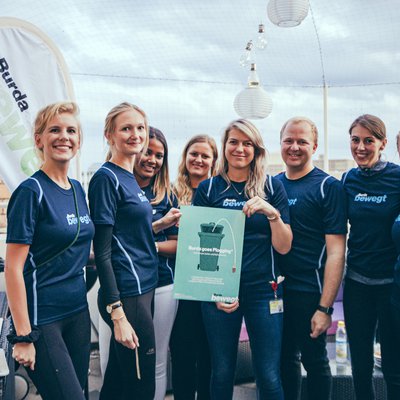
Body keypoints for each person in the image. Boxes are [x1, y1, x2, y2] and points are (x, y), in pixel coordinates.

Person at [194, 119, 292, 400]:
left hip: (265, 290)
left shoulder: (272, 187)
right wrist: (214, 293)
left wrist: (272, 213)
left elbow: (284, 247)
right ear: (224, 146)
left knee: (269, 374)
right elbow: (201, 248)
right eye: (234, 142)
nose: (240, 149)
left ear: (256, 149)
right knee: (222, 371)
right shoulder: (209, 189)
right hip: (221, 291)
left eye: (247, 143)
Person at [88, 102, 180, 400]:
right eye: (126, 128)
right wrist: (117, 312)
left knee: (117, 384)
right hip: (127, 295)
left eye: (140, 127)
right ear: (109, 135)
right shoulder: (107, 178)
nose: (135, 134)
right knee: (141, 387)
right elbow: (103, 251)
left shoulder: (129, 177)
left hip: (145, 288)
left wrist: (162, 224)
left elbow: (128, 235)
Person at [5, 102, 94, 400]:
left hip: (78, 313)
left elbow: (76, 249)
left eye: (71, 131)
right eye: (54, 130)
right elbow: (14, 268)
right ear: (39, 139)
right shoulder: (31, 192)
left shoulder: (77, 189)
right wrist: (23, 336)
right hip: (43, 319)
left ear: (79, 141)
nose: (63, 137)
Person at [276, 117, 347, 400]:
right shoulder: (272, 185)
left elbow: (336, 252)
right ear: (280, 144)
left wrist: (324, 308)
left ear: (314, 146)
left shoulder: (328, 187)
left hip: (309, 292)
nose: (294, 147)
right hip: (275, 291)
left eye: (302, 142)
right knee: (283, 361)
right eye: (288, 141)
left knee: (315, 362)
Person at [342, 114, 400, 400]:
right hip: (357, 284)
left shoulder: (397, 178)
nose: (361, 147)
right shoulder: (348, 180)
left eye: (368, 141)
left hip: (391, 286)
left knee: (394, 366)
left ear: (383, 144)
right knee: (361, 366)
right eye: (355, 140)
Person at [169, 134, 218, 400]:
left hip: (212, 284)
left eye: (205, 155)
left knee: (209, 355)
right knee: (182, 353)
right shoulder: (170, 192)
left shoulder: (218, 192)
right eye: (194, 154)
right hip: (180, 285)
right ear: (185, 157)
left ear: (214, 161)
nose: (198, 159)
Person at [133, 126, 179, 400]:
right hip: (123, 287)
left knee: (157, 361)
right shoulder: (116, 186)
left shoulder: (167, 194)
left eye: (159, 155)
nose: (152, 160)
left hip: (161, 284)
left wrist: (148, 247)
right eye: (147, 152)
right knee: (112, 362)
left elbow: (177, 245)